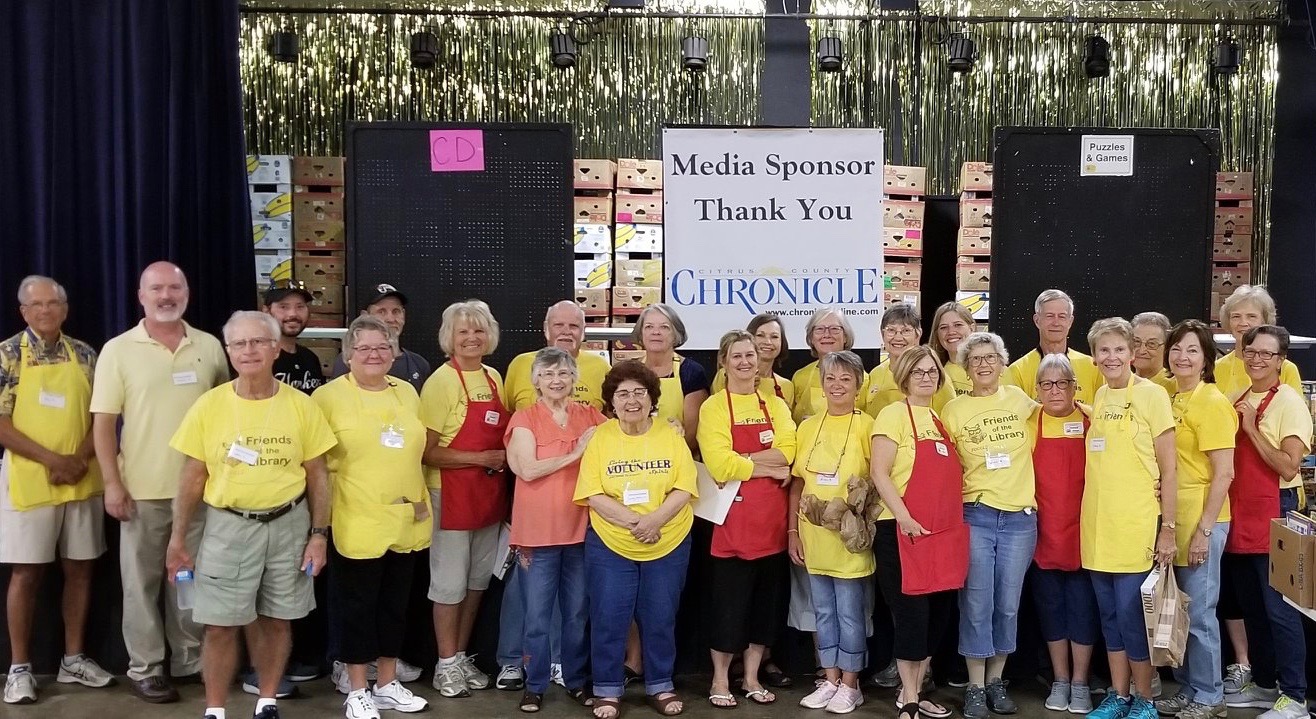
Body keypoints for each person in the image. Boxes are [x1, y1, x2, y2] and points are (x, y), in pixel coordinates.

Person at [165, 311, 337, 719]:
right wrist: (178, 539)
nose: (249, 350)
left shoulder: (302, 406)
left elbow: (318, 476)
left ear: (276, 348)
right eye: (239, 344)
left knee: (278, 619)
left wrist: (318, 535)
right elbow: (192, 478)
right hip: (228, 526)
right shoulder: (209, 406)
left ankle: (267, 701)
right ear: (228, 352)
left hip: (289, 524)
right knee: (220, 625)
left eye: (258, 341)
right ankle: (215, 710)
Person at [91, 261, 230, 703]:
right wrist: (111, 484)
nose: (166, 295)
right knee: (141, 584)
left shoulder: (209, 346)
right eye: (157, 289)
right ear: (141, 295)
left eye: (175, 287)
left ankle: (189, 660)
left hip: (200, 489)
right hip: (141, 492)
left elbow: (227, 413)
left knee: (190, 580)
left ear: (187, 292)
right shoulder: (118, 349)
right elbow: (102, 425)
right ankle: (146, 667)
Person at [0, 276, 112, 704]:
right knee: (26, 572)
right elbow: (1, 422)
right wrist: (51, 460)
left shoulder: (85, 354)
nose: (45, 311)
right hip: (30, 481)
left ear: (65, 310)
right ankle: (20, 668)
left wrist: (80, 458)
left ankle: (73, 658)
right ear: (23, 311)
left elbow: (102, 416)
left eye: (53, 304)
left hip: (82, 477)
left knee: (81, 567)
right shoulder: (8, 355)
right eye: (36, 305)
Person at [314, 316, 432, 719]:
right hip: (355, 518)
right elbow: (315, 466)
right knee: (356, 607)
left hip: (405, 517)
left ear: (395, 352)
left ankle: (386, 683)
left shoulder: (408, 393)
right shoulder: (327, 398)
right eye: (363, 348)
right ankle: (357, 688)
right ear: (348, 355)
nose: (373, 355)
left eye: (382, 347)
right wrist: (319, 526)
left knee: (395, 606)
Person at [497, 300, 611, 691]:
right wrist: (576, 453)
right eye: (548, 373)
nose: (557, 379)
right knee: (536, 613)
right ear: (536, 381)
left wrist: (666, 427)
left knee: (577, 611)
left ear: (575, 377)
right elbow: (526, 469)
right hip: (538, 533)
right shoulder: (524, 418)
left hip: (582, 528)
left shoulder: (590, 415)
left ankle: (572, 673)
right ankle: (534, 680)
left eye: (564, 373)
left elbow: (625, 437)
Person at [574, 361, 697, 719]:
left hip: (669, 539)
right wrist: (636, 522)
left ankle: (660, 684)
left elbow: (685, 487)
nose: (632, 400)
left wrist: (655, 520)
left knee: (660, 616)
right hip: (611, 541)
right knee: (609, 617)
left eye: (639, 392)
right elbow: (592, 493)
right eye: (623, 393)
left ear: (651, 397)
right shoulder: (600, 438)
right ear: (611, 401)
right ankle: (607, 690)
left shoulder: (670, 436)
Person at [1081, 318, 1177, 719]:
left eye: (1120, 349)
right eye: (1104, 350)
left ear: (1133, 353)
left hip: (1136, 524)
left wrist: (1168, 529)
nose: (1112, 357)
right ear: (1094, 356)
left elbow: (1170, 470)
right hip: (1097, 527)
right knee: (1109, 618)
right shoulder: (1100, 396)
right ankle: (1117, 697)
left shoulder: (1153, 396)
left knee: (1133, 617)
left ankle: (1144, 700)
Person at [939, 333, 1039, 719]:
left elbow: (1063, 413)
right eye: (976, 359)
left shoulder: (1019, 399)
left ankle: (997, 680)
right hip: (976, 515)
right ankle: (975, 686)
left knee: (1008, 605)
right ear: (966, 367)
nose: (984, 364)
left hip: (1019, 519)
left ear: (1002, 362)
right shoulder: (953, 409)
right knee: (977, 603)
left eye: (991, 357)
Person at [696, 330, 797, 709]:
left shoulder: (775, 404)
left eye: (750, 355)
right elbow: (719, 464)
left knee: (764, 610)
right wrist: (765, 461)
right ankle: (720, 680)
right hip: (731, 524)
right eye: (736, 356)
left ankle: (752, 677)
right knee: (728, 608)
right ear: (724, 362)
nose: (744, 362)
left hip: (772, 522)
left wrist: (746, 460)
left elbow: (790, 452)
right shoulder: (715, 407)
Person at [1214, 286, 1303, 691]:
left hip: (1276, 509)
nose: (1256, 359)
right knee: (1252, 608)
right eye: (1251, 352)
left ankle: (1294, 694)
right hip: (1241, 511)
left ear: (1280, 361)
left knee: (1280, 609)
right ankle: (1265, 685)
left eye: (1266, 354)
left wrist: (1250, 428)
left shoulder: (1288, 401)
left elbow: (1288, 467)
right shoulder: (1237, 395)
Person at [870, 346, 966, 719]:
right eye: (918, 372)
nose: (926, 377)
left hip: (942, 532)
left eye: (932, 372)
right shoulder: (893, 415)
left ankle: (919, 686)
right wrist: (904, 516)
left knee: (939, 615)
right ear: (904, 377)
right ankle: (908, 697)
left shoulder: (941, 419)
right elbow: (880, 473)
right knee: (912, 615)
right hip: (902, 530)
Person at [420, 300, 508, 698]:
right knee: (449, 584)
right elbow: (427, 451)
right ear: (449, 338)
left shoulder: (493, 377)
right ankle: (444, 663)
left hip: (487, 495)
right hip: (449, 494)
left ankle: (460, 656)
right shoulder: (441, 381)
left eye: (478, 330)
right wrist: (481, 458)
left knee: (476, 582)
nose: (472, 338)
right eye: (463, 332)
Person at [1152, 321, 1235, 719]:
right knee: (1179, 609)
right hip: (1173, 518)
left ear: (1206, 360)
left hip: (1204, 519)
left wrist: (1204, 530)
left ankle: (1210, 695)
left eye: (1192, 351)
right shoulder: (1169, 396)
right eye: (1176, 349)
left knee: (1200, 612)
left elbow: (1224, 473)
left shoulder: (1212, 402)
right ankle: (1188, 688)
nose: (1182, 357)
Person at [788, 350, 877, 715]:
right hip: (813, 535)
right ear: (821, 385)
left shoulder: (869, 425)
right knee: (822, 610)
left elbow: (880, 481)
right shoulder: (807, 426)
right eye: (830, 379)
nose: (837, 385)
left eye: (845, 379)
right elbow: (796, 483)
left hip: (850, 538)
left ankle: (851, 684)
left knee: (851, 613)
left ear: (858, 385)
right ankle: (830, 677)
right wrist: (793, 530)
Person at [1031, 355, 1098, 714]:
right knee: (1051, 610)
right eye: (1047, 384)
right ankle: (1059, 679)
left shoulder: (1092, 420)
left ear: (1075, 387)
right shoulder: (1030, 422)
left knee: (1083, 611)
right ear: (1037, 390)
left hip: (1086, 534)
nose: (1055, 390)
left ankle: (1081, 682)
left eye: (1062, 383)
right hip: (1043, 533)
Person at [632, 303, 708, 452]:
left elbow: (693, 438)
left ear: (676, 335)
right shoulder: (629, 372)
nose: (656, 332)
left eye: (664, 327)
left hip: (679, 457)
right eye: (649, 327)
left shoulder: (691, 372)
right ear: (641, 334)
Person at [1004, 289, 1102, 404]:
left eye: (1062, 316)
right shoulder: (1017, 371)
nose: (1056, 323)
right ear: (1037, 320)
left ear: (1070, 321)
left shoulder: (1093, 367)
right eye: (1049, 316)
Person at [331, 284, 431, 392]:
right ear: (365, 316)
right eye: (381, 312)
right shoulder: (350, 361)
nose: (390, 319)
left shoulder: (419, 364)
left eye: (396, 311)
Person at [866, 303, 954, 417]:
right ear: (883, 335)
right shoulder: (875, 374)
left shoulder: (935, 377)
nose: (898, 337)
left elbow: (948, 421)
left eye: (906, 331)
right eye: (891, 330)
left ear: (918, 335)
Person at [1215, 286, 1302, 398]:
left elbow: (1295, 412)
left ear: (1265, 321)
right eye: (1236, 316)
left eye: (1251, 316)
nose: (1243, 323)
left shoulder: (1286, 369)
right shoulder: (1216, 369)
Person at [791, 307, 870, 424]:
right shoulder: (800, 377)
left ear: (846, 337)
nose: (826, 334)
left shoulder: (863, 378)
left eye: (834, 329)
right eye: (819, 329)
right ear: (811, 338)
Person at [710, 313, 795, 407]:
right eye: (760, 335)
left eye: (774, 337)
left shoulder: (787, 386)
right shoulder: (726, 375)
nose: (768, 342)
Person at [265, 280, 325, 395]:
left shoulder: (310, 358)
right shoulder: (260, 358)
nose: (293, 314)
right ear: (266, 311)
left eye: (300, 307)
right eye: (283, 307)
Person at [929, 301, 976, 397]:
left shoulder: (993, 370)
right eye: (944, 327)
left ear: (972, 328)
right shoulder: (930, 374)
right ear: (937, 334)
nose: (951, 332)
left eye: (958, 325)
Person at [1130, 312, 1175, 395]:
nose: (1141, 350)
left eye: (1151, 344)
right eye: (1136, 342)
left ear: (1167, 347)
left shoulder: (1176, 386)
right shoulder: (1121, 384)